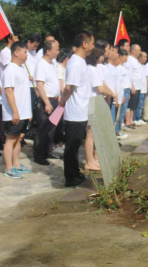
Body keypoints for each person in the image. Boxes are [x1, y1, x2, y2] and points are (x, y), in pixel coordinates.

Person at [59, 30, 95, 187]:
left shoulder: (80, 61)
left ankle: (75, 173)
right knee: (71, 147)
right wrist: (62, 101)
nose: (93, 46)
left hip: (81, 110)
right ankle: (70, 177)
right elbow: (68, 87)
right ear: (85, 43)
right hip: (74, 112)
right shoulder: (75, 62)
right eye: (92, 43)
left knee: (75, 146)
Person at [1, 41, 33, 179]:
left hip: (24, 113)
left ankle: (16, 164)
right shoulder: (10, 69)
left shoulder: (21, 68)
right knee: (10, 139)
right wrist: (15, 111)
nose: (27, 55)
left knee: (18, 139)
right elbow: (9, 92)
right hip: (14, 113)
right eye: (25, 52)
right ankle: (9, 168)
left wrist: (28, 112)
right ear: (16, 52)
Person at [84, 48, 115, 171]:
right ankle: (89, 161)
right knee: (91, 134)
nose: (103, 58)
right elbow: (100, 89)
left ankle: (94, 159)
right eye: (102, 56)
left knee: (93, 133)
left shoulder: (87, 68)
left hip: (90, 103)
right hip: (92, 103)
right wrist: (112, 94)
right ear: (98, 57)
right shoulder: (92, 69)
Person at [33, 40, 61, 165]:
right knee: (42, 129)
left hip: (55, 101)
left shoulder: (52, 63)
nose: (58, 52)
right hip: (47, 101)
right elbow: (40, 86)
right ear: (48, 51)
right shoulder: (41, 65)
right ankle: (39, 156)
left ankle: (47, 151)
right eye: (56, 49)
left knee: (50, 130)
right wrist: (47, 103)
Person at [126, 44, 143, 127]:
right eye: (138, 50)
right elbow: (130, 74)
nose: (140, 52)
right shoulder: (130, 59)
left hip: (138, 86)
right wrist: (132, 86)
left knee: (134, 105)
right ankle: (128, 121)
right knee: (130, 105)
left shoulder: (136, 60)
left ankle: (131, 120)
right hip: (134, 86)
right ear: (133, 51)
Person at [115, 48, 131, 135]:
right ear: (120, 56)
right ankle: (117, 130)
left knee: (123, 111)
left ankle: (119, 129)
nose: (127, 58)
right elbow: (119, 83)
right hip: (123, 91)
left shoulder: (123, 67)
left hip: (126, 90)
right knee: (120, 112)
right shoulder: (118, 68)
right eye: (126, 55)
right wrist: (122, 95)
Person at [134, 51, 148, 125]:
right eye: (144, 57)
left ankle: (138, 118)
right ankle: (135, 118)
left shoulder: (144, 66)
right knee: (137, 105)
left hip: (143, 88)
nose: (146, 58)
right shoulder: (137, 65)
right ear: (140, 57)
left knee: (141, 104)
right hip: (138, 88)